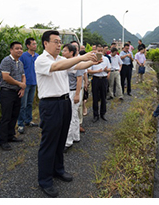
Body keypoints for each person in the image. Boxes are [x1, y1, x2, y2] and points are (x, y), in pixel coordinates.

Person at [34, 30, 97, 198]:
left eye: (60, 41)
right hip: (50, 104)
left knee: (61, 139)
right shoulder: (41, 60)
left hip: (64, 102)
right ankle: (45, 180)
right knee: (49, 142)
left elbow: (78, 66)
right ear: (45, 43)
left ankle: (58, 170)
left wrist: (92, 61)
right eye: (56, 41)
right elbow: (57, 67)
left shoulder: (62, 59)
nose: (59, 44)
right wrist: (81, 57)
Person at [0, 41, 26, 151]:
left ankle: (10, 136)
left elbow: (23, 75)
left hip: (17, 92)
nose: (19, 50)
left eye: (21, 48)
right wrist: (20, 84)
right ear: (11, 50)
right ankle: (3, 141)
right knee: (6, 116)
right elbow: (6, 77)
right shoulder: (6, 61)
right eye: (17, 48)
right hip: (7, 92)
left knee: (14, 115)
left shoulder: (20, 62)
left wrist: (23, 88)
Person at [63, 43, 86, 152]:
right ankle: (76, 136)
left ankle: (68, 142)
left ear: (71, 52)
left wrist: (77, 94)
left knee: (70, 116)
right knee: (74, 115)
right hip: (68, 91)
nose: (63, 52)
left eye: (65, 50)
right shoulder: (65, 62)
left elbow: (79, 80)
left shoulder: (77, 63)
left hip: (73, 92)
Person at [18, 37, 39, 134]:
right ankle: (20, 124)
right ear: (28, 46)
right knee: (23, 104)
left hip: (34, 82)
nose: (35, 45)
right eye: (33, 44)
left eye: (35, 44)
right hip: (25, 84)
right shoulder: (23, 56)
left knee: (30, 103)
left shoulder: (37, 56)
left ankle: (28, 120)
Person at [88, 45, 111, 122]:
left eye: (101, 51)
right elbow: (89, 71)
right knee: (95, 97)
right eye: (98, 51)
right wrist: (97, 71)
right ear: (96, 51)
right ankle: (95, 115)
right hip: (95, 79)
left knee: (103, 97)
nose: (100, 52)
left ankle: (103, 114)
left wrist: (106, 70)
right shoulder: (92, 60)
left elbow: (109, 69)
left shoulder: (106, 59)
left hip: (104, 79)